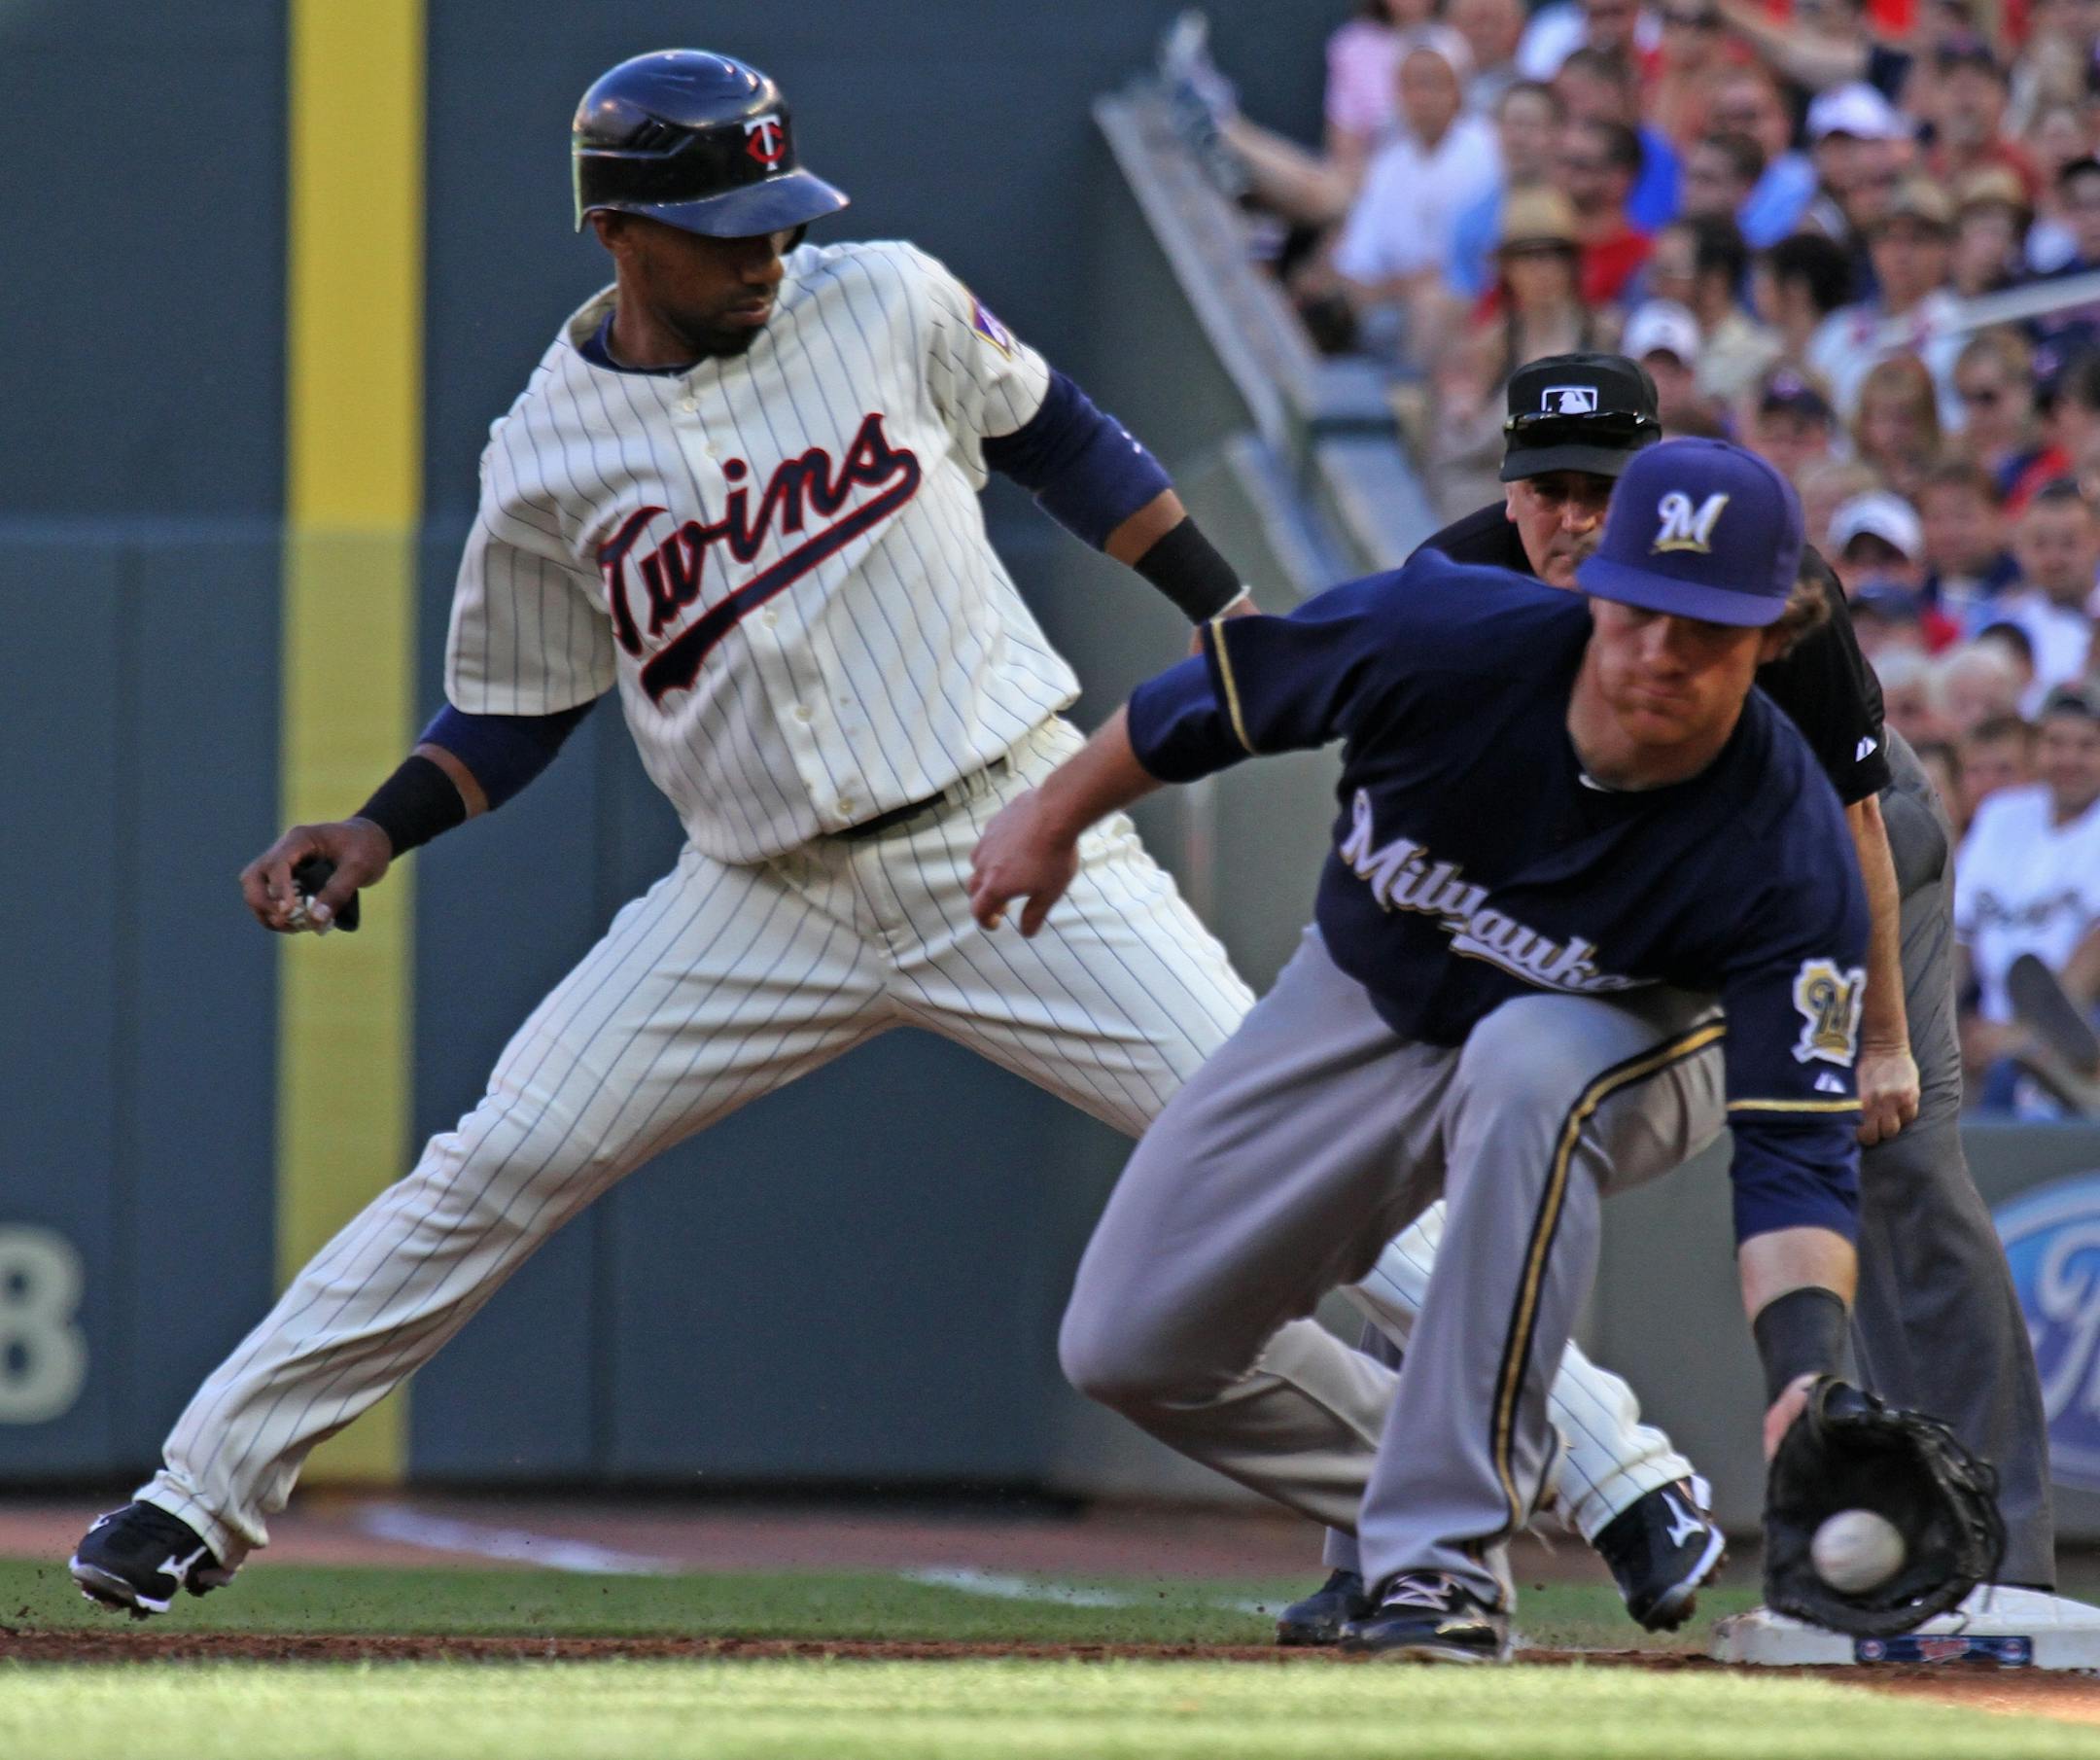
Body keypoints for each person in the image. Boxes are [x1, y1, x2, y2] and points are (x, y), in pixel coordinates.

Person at [67, 46, 1284, 1618]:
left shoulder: (885, 295)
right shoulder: (546, 453)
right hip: (757, 897)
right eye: (729, 226)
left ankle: (1614, 1479)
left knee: (1274, 1127)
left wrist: (1230, 610)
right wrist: (380, 830)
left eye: (781, 214)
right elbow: (518, 706)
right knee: (497, 1159)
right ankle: (192, 1498)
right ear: (619, 232)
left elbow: (1061, 437)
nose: (769, 249)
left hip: (1004, 831)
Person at [974, 436, 1872, 1663]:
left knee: (1526, 1064)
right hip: (1365, 994)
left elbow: (1794, 1158)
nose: (1662, 649)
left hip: (1629, 1038)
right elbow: (1211, 701)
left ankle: (1440, 1567)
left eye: (1708, 626)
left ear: (1774, 634)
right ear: (1593, 581)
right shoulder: (1446, 632)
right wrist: (1051, 814)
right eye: (1644, 606)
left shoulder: (1789, 847)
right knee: (1132, 1344)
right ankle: (1462, 1471)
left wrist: (1804, 1376)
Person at [1256, 356, 2083, 1654]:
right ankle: (1389, 1545)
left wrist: (1878, 1043)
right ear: (1511, 491)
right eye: (1552, 488)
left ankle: (2005, 1572)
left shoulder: (1760, 578)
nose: (1578, 517)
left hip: (1829, 860)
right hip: (1601, 850)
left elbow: (1856, 822)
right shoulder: (1452, 589)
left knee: (1898, 1158)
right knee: (1433, 1143)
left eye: (1608, 488)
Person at [1956, 688, 2100, 1105]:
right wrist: (1944, 1027)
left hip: (2075, 1029)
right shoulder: (2002, 814)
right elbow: (1957, 936)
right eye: (2056, 743)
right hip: (1986, 1024)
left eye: (2087, 746)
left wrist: (2025, 1034)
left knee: (2011, 1074)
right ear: (2036, 748)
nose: (2068, 759)